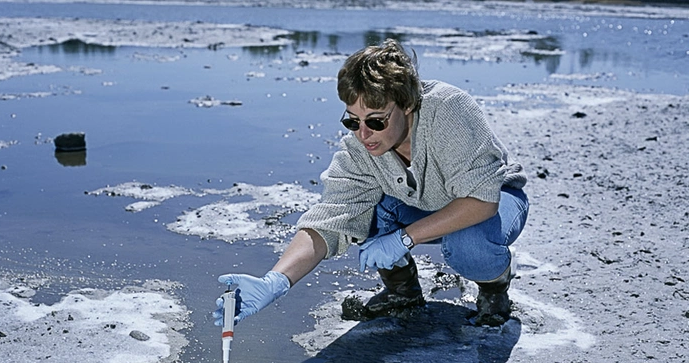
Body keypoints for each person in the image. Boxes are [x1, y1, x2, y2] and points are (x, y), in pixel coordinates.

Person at [215, 39, 528, 328]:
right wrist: (276, 281)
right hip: (422, 204)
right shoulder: (360, 149)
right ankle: (402, 293)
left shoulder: (450, 111)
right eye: (352, 120)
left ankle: (494, 286)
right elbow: (331, 216)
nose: (363, 134)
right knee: (364, 212)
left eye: (376, 121)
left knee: (466, 246)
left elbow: (482, 201)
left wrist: (404, 239)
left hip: (495, 200)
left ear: (406, 104)